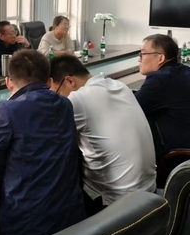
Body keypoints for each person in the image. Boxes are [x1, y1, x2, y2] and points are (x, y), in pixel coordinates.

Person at [0, 50, 85, 235]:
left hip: (28, 226)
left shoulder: (8, 109)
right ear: (49, 81)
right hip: (70, 216)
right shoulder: (65, 104)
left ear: (8, 82)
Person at [49, 55, 156, 216]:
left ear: (70, 81)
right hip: (148, 190)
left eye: (56, 92)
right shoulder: (119, 86)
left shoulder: (78, 98)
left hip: (115, 202)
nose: (57, 98)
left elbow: (48, 135)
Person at [135, 34, 190, 159]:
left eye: (142, 54)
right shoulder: (184, 71)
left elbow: (131, 110)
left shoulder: (160, 79)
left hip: (186, 156)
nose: (139, 59)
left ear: (160, 58)